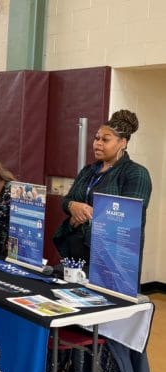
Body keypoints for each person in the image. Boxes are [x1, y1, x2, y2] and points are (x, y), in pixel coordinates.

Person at [53, 109, 152, 273]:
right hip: (76, 252)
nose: (97, 143)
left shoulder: (136, 173)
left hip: (112, 259)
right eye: (96, 138)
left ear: (123, 143)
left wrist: (89, 213)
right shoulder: (88, 170)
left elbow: (130, 216)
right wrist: (72, 206)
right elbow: (66, 200)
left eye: (105, 140)